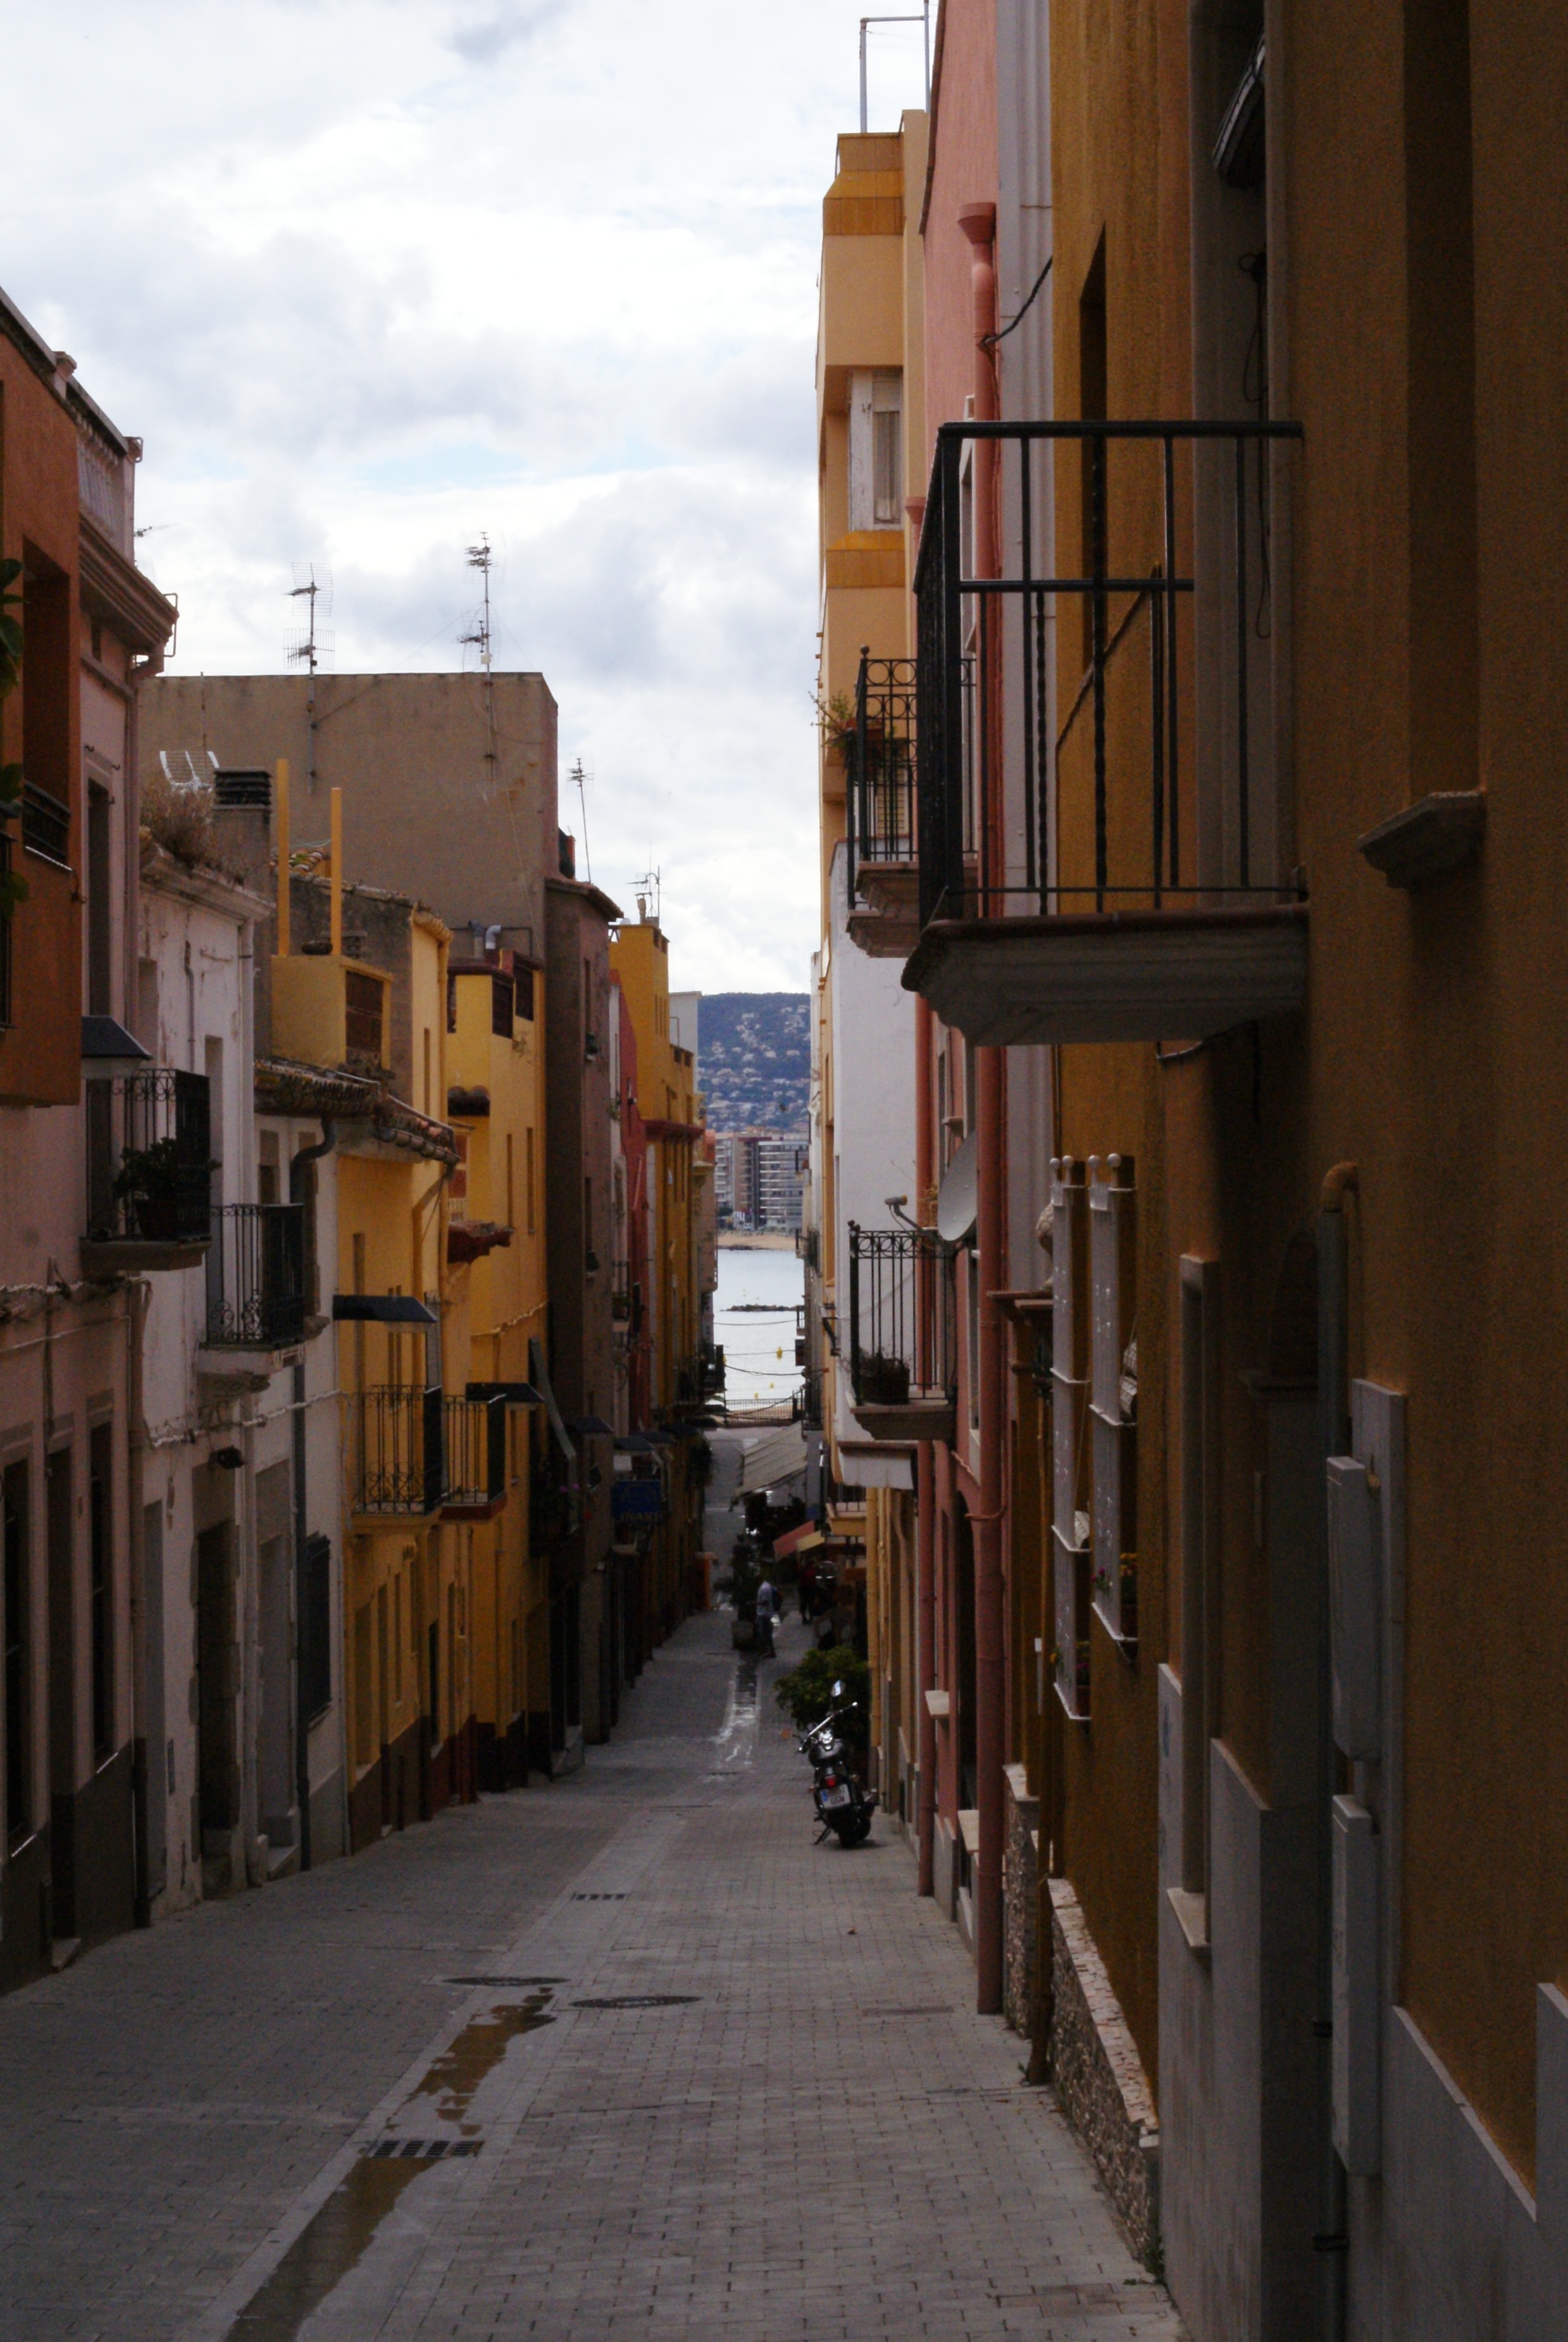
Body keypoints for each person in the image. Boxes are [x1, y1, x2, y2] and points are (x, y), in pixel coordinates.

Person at [754, 1574, 777, 1657]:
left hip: (765, 1614)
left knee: (764, 1633)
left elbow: (765, 1602)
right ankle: (766, 1650)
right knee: (762, 1633)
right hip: (763, 1613)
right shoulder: (764, 1586)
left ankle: (769, 1650)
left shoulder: (765, 1588)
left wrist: (754, 1604)